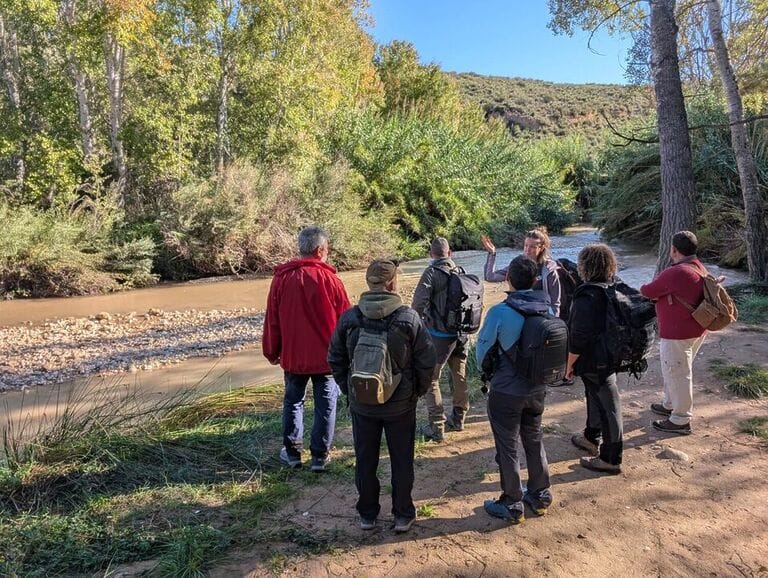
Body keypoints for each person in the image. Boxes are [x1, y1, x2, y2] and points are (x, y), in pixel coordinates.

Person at [328, 259, 435, 533]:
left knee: (365, 460)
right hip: (400, 406)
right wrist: (415, 393)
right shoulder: (408, 317)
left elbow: (335, 358)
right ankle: (402, 515)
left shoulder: (350, 318)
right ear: (391, 283)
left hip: (362, 405)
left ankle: (367, 515)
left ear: (368, 282)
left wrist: (349, 390)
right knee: (401, 460)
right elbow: (426, 362)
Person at [262, 226, 351, 471]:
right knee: (326, 404)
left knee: (293, 402)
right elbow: (346, 320)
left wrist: (271, 350)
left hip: (294, 357)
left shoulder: (281, 278)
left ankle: (292, 454)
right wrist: (348, 354)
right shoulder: (331, 279)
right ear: (320, 250)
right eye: (327, 248)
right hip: (327, 358)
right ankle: (319, 457)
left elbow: (273, 319)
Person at [476, 255, 554, 524]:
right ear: (535, 281)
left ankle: (512, 502)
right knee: (534, 438)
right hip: (537, 388)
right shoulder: (547, 309)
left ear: (507, 278)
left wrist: (486, 373)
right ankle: (540, 495)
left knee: (507, 445)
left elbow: (481, 351)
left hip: (506, 391)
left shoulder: (499, 311)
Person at [640, 231, 708, 436]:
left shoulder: (676, 272)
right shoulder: (698, 267)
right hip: (696, 329)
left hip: (678, 333)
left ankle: (680, 419)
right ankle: (670, 404)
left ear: (674, 250)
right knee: (675, 370)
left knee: (678, 373)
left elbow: (648, 291)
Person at [565, 244, 624, 474]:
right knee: (597, 396)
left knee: (609, 404)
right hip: (611, 353)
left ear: (585, 266)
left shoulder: (587, 295)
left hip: (594, 359)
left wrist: (569, 365)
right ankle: (591, 436)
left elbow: (578, 337)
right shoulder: (611, 287)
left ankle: (611, 458)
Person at [411, 238, 470, 442]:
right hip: (461, 335)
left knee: (431, 380)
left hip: (439, 336)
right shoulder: (460, 271)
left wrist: (415, 327)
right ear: (450, 253)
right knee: (459, 375)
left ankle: (437, 427)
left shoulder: (431, 273)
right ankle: (460, 418)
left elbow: (418, 303)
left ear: (431, 254)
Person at [481, 227, 562, 317]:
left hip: (541, 317)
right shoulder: (519, 265)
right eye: (526, 245)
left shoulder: (549, 270)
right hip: (520, 313)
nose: (527, 250)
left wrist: (553, 323)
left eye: (532, 247)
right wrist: (492, 254)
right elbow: (490, 277)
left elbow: (555, 303)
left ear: (541, 248)